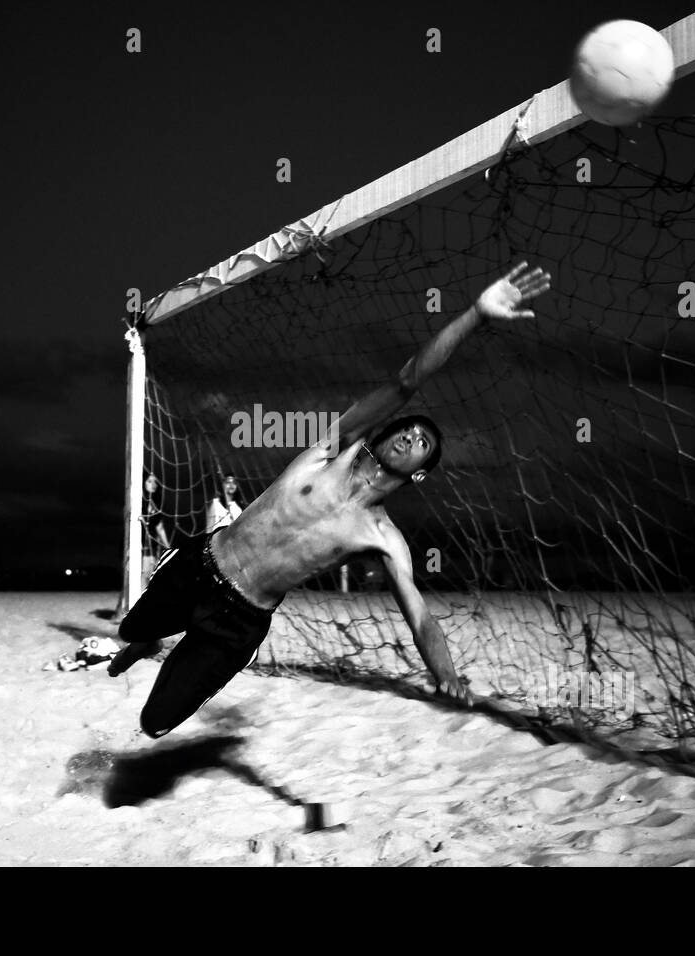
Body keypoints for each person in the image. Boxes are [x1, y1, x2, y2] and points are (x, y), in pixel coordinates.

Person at [111, 262, 552, 738]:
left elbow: (419, 616)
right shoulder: (329, 452)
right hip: (199, 566)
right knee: (130, 633)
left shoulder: (383, 537)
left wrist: (444, 674)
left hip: (239, 618)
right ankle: (146, 637)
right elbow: (408, 380)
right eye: (406, 429)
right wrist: (474, 316)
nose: (409, 437)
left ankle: (186, 652)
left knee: (154, 722)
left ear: (421, 471)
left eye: (422, 441)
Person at [140, 472, 172, 581]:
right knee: (134, 578)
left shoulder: (156, 505)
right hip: (136, 546)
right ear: (142, 483)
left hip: (150, 548)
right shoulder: (137, 502)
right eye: (149, 481)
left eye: (155, 482)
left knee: (148, 577)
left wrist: (168, 548)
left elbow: (160, 528)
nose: (153, 484)